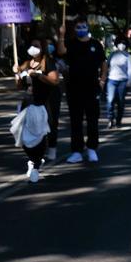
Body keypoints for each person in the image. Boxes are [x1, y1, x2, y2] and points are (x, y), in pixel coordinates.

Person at [57, 16, 105, 163]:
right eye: (78, 27)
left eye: (83, 26)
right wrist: (61, 35)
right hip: (74, 89)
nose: (81, 29)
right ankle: (77, 151)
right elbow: (61, 52)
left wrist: (102, 80)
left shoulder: (95, 44)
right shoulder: (71, 44)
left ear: (87, 27)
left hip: (92, 89)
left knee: (92, 120)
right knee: (75, 121)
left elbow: (103, 63)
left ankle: (92, 149)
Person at [12, 42, 58, 183]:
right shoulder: (26, 64)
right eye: (31, 45)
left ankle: (36, 165)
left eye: (37, 45)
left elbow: (54, 80)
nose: (33, 48)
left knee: (39, 135)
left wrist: (38, 76)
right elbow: (19, 86)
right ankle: (32, 159)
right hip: (27, 104)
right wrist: (17, 73)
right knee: (23, 134)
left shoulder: (47, 63)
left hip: (41, 104)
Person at [106, 41, 131, 128]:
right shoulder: (112, 55)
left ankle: (118, 121)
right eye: (120, 43)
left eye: (123, 43)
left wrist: (129, 81)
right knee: (110, 100)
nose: (121, 45)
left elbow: (130, 69)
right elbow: (106, 66)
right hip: (112, 80)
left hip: (123, 81)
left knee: (120, 102)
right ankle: (110, 119)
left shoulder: (127, 56)